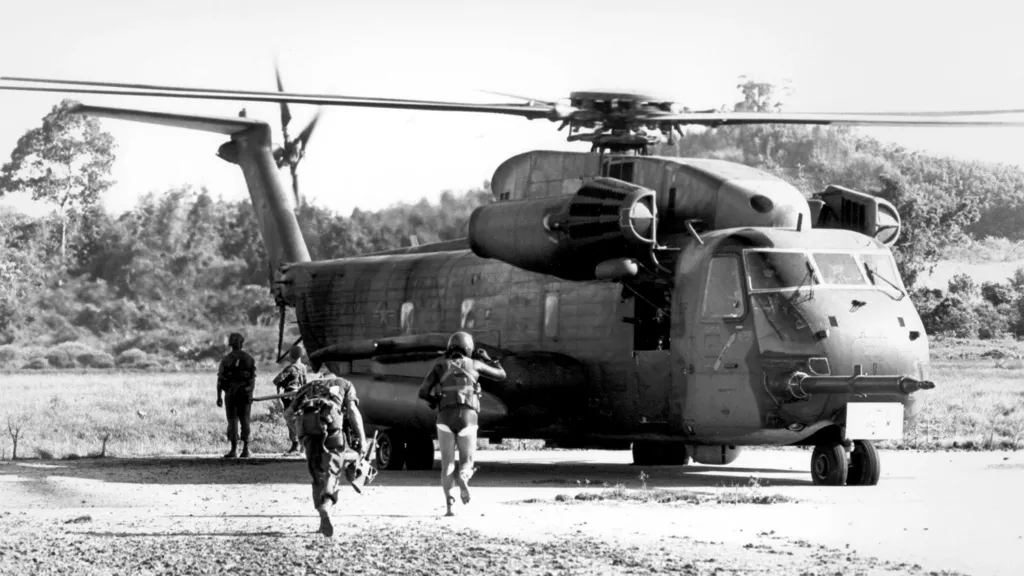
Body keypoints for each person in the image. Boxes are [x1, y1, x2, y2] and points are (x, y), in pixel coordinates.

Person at [417, 331, 506, 517]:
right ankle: (464, 477)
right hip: (468, 417)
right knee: (467, 461)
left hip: (445, 417)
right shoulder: (475, 364)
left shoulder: (440, 366)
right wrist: (488, 359)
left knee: (447, 465)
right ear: (469, 348)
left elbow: (423, 392)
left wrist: (434, 401)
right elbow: (501, 375)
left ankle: (450, 505)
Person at [289, 370, 369, 537]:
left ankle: (322, 520)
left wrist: (300, 436)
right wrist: (362, 439)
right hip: (332, 427)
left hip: (308, 428)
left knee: (316, 473)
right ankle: (326, 503)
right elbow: (352, 411)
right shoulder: (345, 384)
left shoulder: (307, 387)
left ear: (322, 377)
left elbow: (288, 414)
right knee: (332, 471)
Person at [216, 332, 256, 459]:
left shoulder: (226, 360)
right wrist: (249, 393)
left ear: (231, 344)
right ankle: (246, 449)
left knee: (232, 420)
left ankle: (233, 450)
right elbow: (252, 380)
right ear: (241, 343)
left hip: (231, 393)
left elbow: (220, 380)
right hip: (245, 394)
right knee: (245, 419)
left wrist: (219, 396)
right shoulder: (249, 359)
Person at [273, 345, 308, 454]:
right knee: (299, 420)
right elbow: (305, 383)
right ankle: (302, 446)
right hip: (301, 396)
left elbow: (276, 380)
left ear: (291, 356)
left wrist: (282, 383)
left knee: (290, 420)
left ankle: (296, 444)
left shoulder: (290, 368)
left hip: (289, 397)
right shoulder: (303, 367)